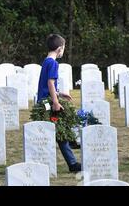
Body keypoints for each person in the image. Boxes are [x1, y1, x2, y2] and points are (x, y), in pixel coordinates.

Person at [37, 34, 81, 173]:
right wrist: (56, 102)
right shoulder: (53, 63)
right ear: (59, 49)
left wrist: (59, 93)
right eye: (64, 48)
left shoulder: (46, 61)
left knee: (60, 128)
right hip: (48, 104)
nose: (64, 51)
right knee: (59, 130)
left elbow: (47, 85)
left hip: (45, 101)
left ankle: (72, 150)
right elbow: (50, 83)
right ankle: (72, 162)